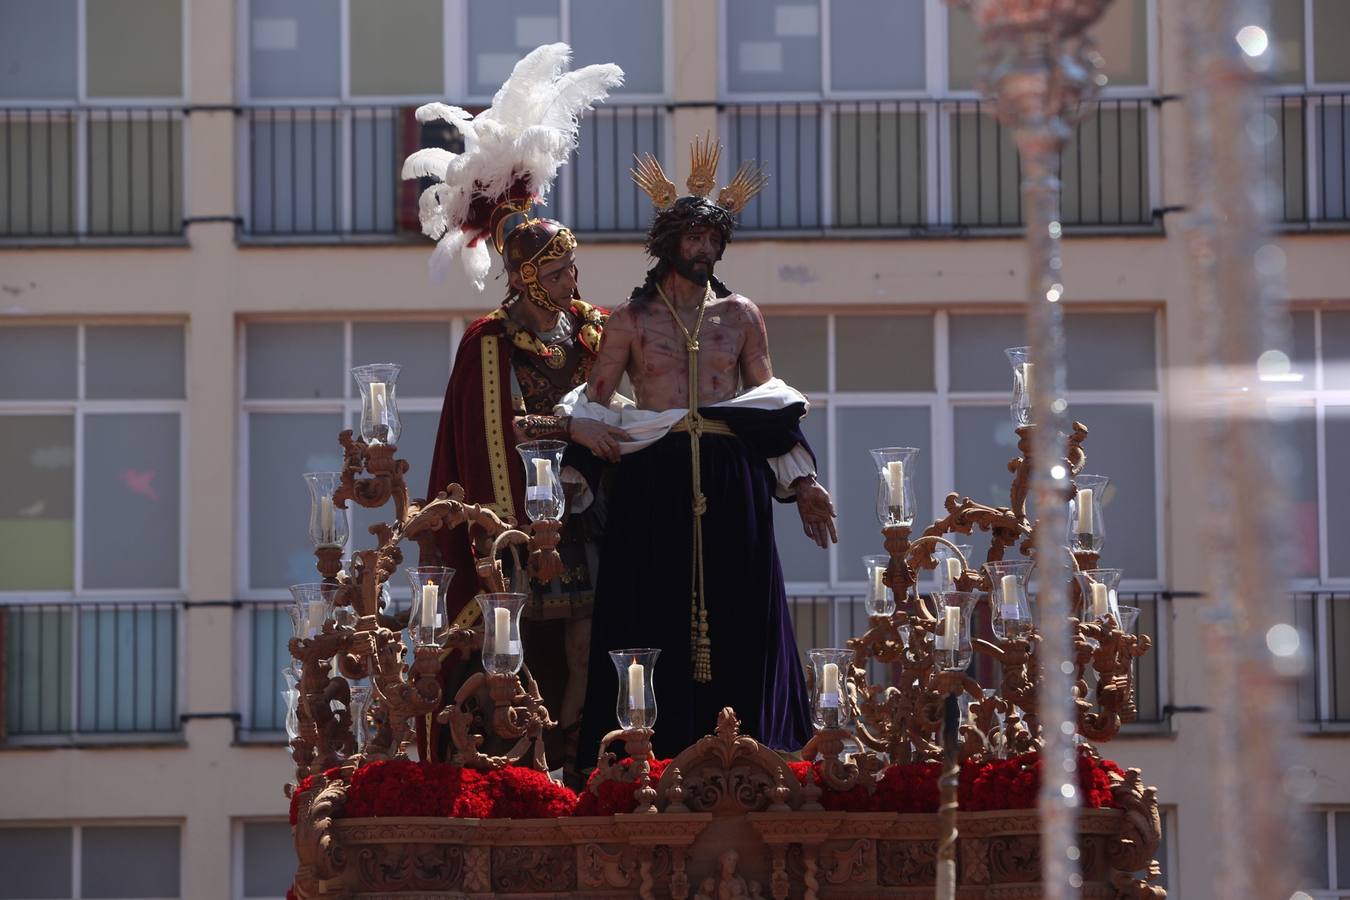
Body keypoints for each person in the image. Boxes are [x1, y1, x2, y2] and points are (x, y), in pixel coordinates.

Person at [565, 138, 838, 764]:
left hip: (730, 472)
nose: (705, 250)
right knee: (646, 608)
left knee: (743, 610)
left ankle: (755, 755)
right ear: (669, 243)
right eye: (693, 239)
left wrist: (803, 484)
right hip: (653, 474)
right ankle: (643, 753)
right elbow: (596, 400)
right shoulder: (629, 319)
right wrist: (575, 452)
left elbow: (768, 401)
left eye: (714, 240)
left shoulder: (740, 316)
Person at [404, 43, 627, 783]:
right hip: (519, 520)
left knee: (590, 635)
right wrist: (565, 428)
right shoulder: (489, 342)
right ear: (529, 275)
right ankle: (527, 748)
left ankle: (577, 737)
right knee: (525, 635)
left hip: (591, 506)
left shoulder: (590, 326)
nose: (575, 277)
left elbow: (615, 392)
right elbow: (487, 433)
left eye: (572, 265)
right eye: (560, 269)